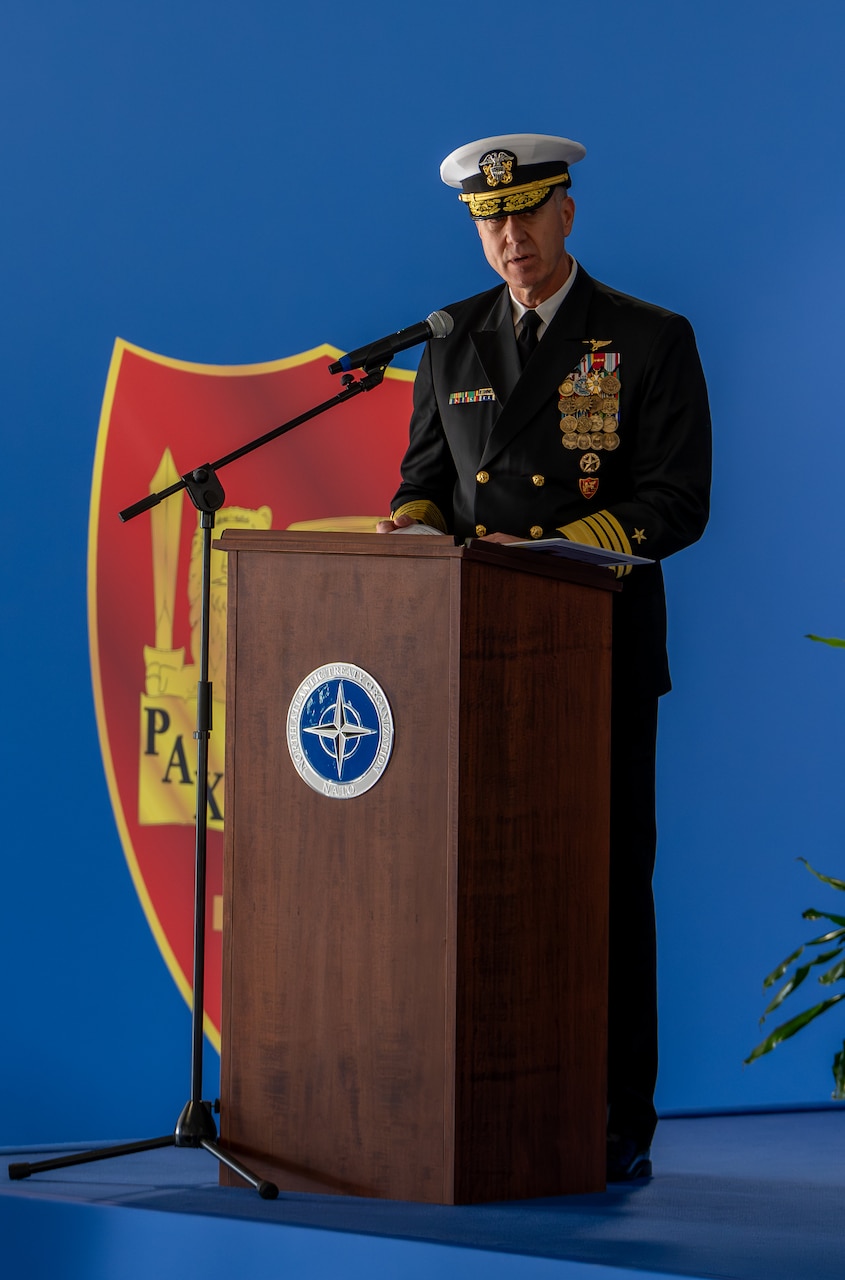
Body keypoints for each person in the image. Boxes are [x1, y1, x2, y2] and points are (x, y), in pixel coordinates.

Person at [377, 133, 711, 1181]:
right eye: (489, 221)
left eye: (526, 213)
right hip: (471, 663)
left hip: (592, 648)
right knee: (480, 881)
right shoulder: (450, 339)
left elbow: (676, 499)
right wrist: (411, 524)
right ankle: (485, 1094)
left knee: (603, 883)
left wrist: (566, 548)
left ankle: (616, 1115)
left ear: (567, 211)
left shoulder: (647, 338)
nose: (508, 238)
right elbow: (425, 478)